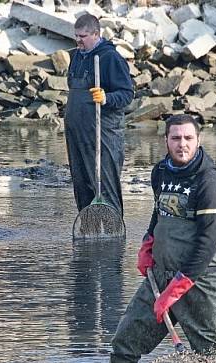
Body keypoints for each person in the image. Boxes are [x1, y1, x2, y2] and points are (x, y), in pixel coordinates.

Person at [105, 114, 216, 363]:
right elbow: (159, 211)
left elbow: (208, 242)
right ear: (165, 141)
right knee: (124, 344)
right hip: (160, 275)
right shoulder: (160, 172)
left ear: (198, 141)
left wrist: (177, 289)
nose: (182, 144)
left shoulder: (209, 183)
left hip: (203, 282)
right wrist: (147, 244)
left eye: (188, 138)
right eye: (176, 138)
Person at [64, 13, 133, 217]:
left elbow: (127, 93)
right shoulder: (76, 55)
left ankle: (112, 235)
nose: (78, 40)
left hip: (103, 134)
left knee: (105, 185)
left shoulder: (110, 58)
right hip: (77, 132)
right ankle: (88, 227)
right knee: (82, 183)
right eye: (76, 36)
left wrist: (106, 98)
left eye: (83, 36)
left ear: (96, 34)